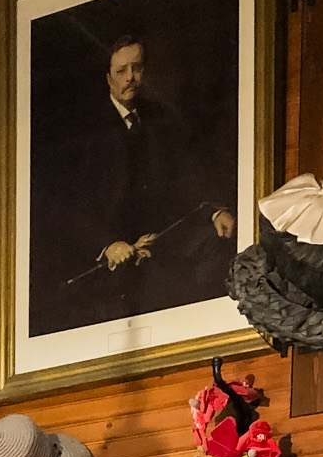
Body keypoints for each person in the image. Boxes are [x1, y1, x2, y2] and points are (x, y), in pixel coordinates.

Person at [30, 32, 238, 336]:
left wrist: (214, 211)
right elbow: (69, 205)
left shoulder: (158, 118)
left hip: (162, 238)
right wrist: (108, 245)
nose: (130, 78)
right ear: (107, 78)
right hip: (114, 253)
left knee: (219, 247)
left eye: (137, 68)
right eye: (121, 71)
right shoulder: (87, 131)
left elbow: (185, 177)